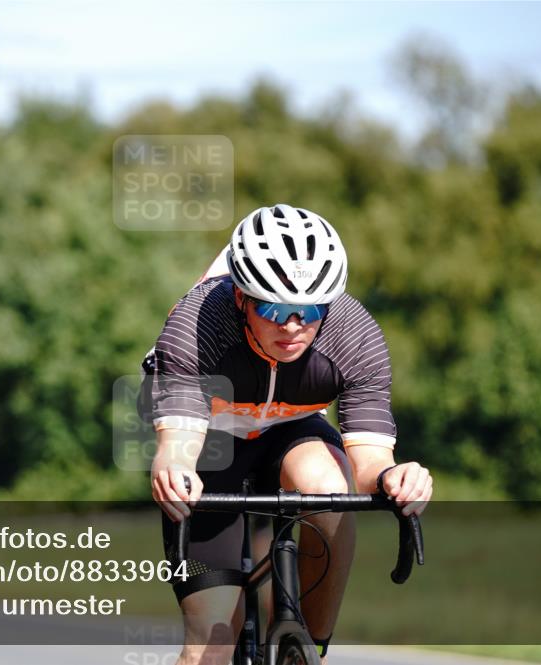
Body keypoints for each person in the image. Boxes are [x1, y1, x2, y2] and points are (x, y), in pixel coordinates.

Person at [140, 204, 434, 665]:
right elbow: (178, 443)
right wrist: (172, 467)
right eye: (273, 307)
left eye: (310, 309)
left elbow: (370, 463)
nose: (293, 325)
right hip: (211, 442)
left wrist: (396, 478)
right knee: (211, 648)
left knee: (326, 485)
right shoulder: (196, 327)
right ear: (241, 298)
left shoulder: (354, 336)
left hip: (292, 432)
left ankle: (308, 644)